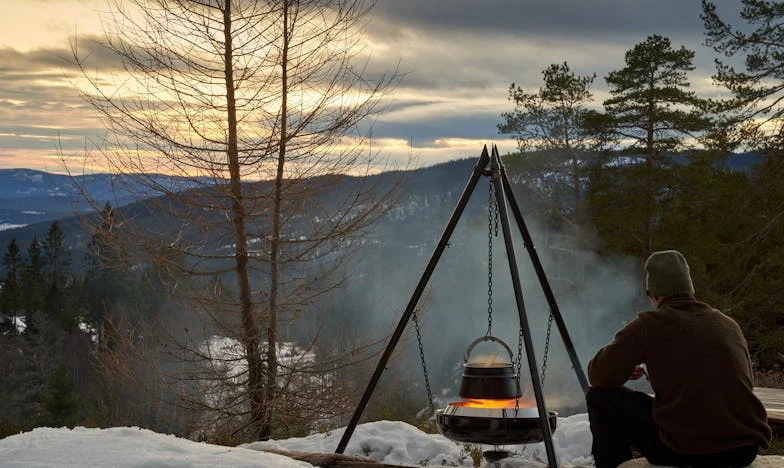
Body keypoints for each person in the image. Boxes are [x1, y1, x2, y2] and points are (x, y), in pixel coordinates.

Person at [586, 250, 772, 468]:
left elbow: (597, 374)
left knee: (599, 396)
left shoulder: (649, 324)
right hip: (743, 450)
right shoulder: (728, 324)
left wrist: (621, 370)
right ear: (689, 289)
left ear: (655, 294)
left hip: (687, 451)